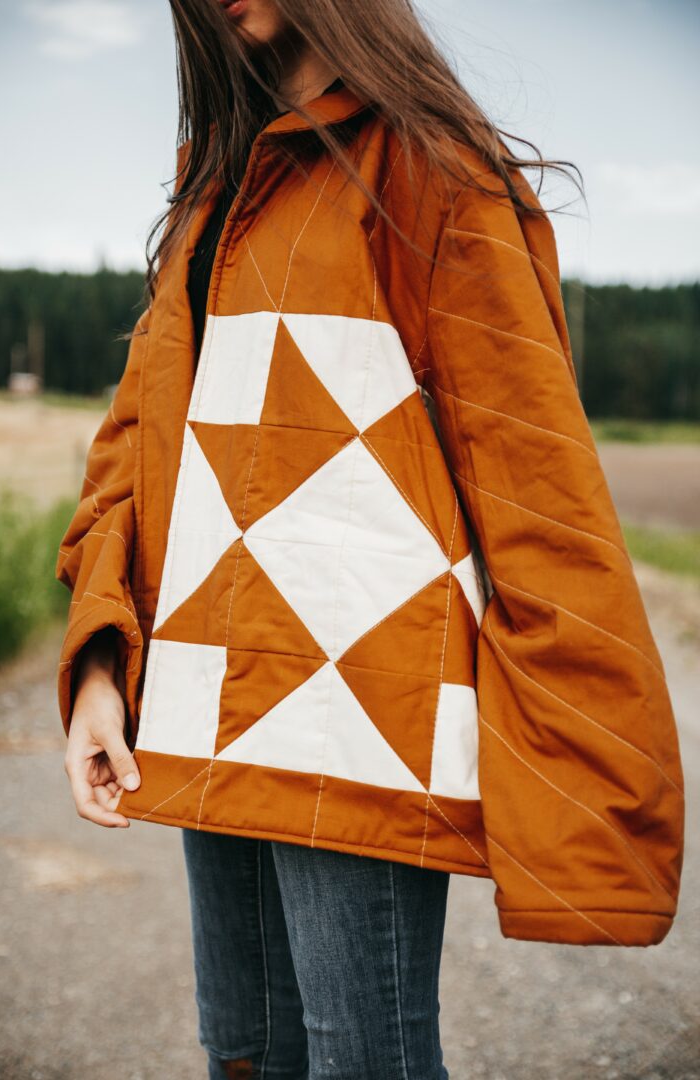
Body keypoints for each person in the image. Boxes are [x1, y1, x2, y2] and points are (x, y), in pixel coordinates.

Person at [56, 1, 685, 1077]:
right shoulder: (214, 187)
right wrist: (103, 664)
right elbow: (138, 446)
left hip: (364, 722)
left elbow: (534, 477)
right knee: (244, 1055)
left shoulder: (434, 168)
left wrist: (604, 762)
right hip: (207, 697)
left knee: (364, 1062)